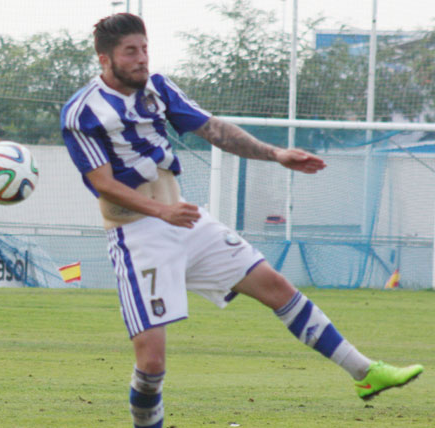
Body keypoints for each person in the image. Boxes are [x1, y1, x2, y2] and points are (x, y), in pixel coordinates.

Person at [60, 13, 423, 428]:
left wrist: (276, 154)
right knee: (152, 362)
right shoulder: (81, 112)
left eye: (145, 48)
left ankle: (364, 372)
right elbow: (102, 183)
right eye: (131, 52)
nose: (142, 58)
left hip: (185, 221)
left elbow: (212, 128)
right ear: (104, 59)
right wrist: (162, 212)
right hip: (137, 235)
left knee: (277, 286)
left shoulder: (157, 88)